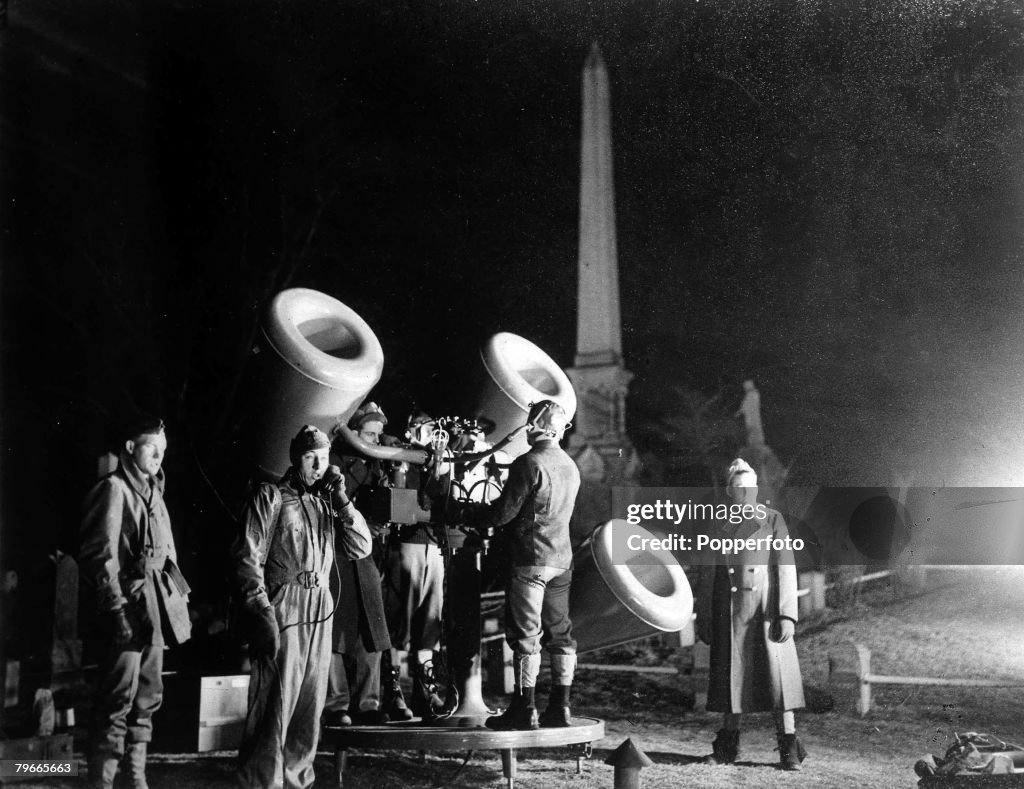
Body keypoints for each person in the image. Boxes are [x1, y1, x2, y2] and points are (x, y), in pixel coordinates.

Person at [232, 425, 369, 788]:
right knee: (275, 704)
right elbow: (247, 557)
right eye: (311, 458)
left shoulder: (327, 503)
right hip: (284, 605)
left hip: (320, 607)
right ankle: (261, 781)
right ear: (296, 458)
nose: (318, 466)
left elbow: (361, 547)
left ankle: (296, 780)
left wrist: (342, 500)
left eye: (324, 458)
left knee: (310, 706)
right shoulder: (271, 496)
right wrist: (260, 611)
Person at [79, 415, 192, 789]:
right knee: (116, 701)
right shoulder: (114, 489)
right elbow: (100, 556)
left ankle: (136, 776)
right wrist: (115, 611)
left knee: (147, 697)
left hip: (155, 609)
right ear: (130, 448)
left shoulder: (154, 492)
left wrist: (176, 606)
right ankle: (103, 780)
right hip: (128, 608)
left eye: (162, 450)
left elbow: (168, 554)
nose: (158, 456)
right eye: (150, 447)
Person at [476, 400, 581, 731]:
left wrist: (466, 513)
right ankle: (560, 709)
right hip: (562, 561)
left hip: (530, 560)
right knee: (561, 634)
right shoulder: (571, 465)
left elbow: (502, 514)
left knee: (526, 636)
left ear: (534, 425)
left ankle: (525, 709)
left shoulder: (529, 462)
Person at [696, 458, 807, 770]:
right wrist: (704, 615)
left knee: (778, 683)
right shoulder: (716, 523)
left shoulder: (772, 519)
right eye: (738, 487)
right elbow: (708, 574)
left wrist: (787, 614)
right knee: (732, 681)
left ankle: (789, 749)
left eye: (749, 487)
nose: (744, 493)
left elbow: (786, 567)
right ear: (730, 491)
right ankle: (726, 748)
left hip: (765, 611)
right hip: (730, 614)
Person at [323, 402, 405, 725]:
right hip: (340, 555)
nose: (374, 440)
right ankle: (336, 705)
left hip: (368, 558)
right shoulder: (332, 463)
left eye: (377, 435)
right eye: (368, 434)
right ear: (352, 432)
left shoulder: (378, 465)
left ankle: (368, 703)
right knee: (336, 634)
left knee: (372, 632)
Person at [381, 411, 450, 720]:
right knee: (400, 622)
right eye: (423, 428)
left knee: (430, 624)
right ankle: (393, 691)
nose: (429, 433)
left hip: (434, 546)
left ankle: (425, 690)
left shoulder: (436, 461)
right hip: (407, 544)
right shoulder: (400, 456)